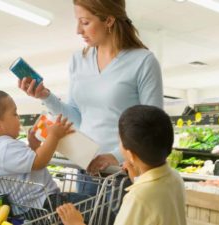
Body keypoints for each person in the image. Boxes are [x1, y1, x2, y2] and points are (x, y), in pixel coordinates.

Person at [18, 0, 163, 194]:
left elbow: (154, 125)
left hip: (123, 172)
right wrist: (46, 96)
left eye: (85, 22)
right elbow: (77, 117)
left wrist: (115, 156)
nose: (78, 30)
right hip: (85, 169)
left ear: (109, 20)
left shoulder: (143, 61)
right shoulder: (79, 61)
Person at [56, 105, 186, 225]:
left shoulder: (137, 198)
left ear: (130, 155)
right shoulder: (175, 177)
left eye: (120, 141)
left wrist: (77, 223)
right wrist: (137, 179)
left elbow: (145, 198)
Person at [0, 90, 88, 215]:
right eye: (15, 114)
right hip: (43, 204)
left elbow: (26, 166)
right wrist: (54, 135)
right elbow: (38, 162)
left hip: (31, 208)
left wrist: (33, 145)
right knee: (95, 206)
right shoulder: (4, 148)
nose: (18, 118)